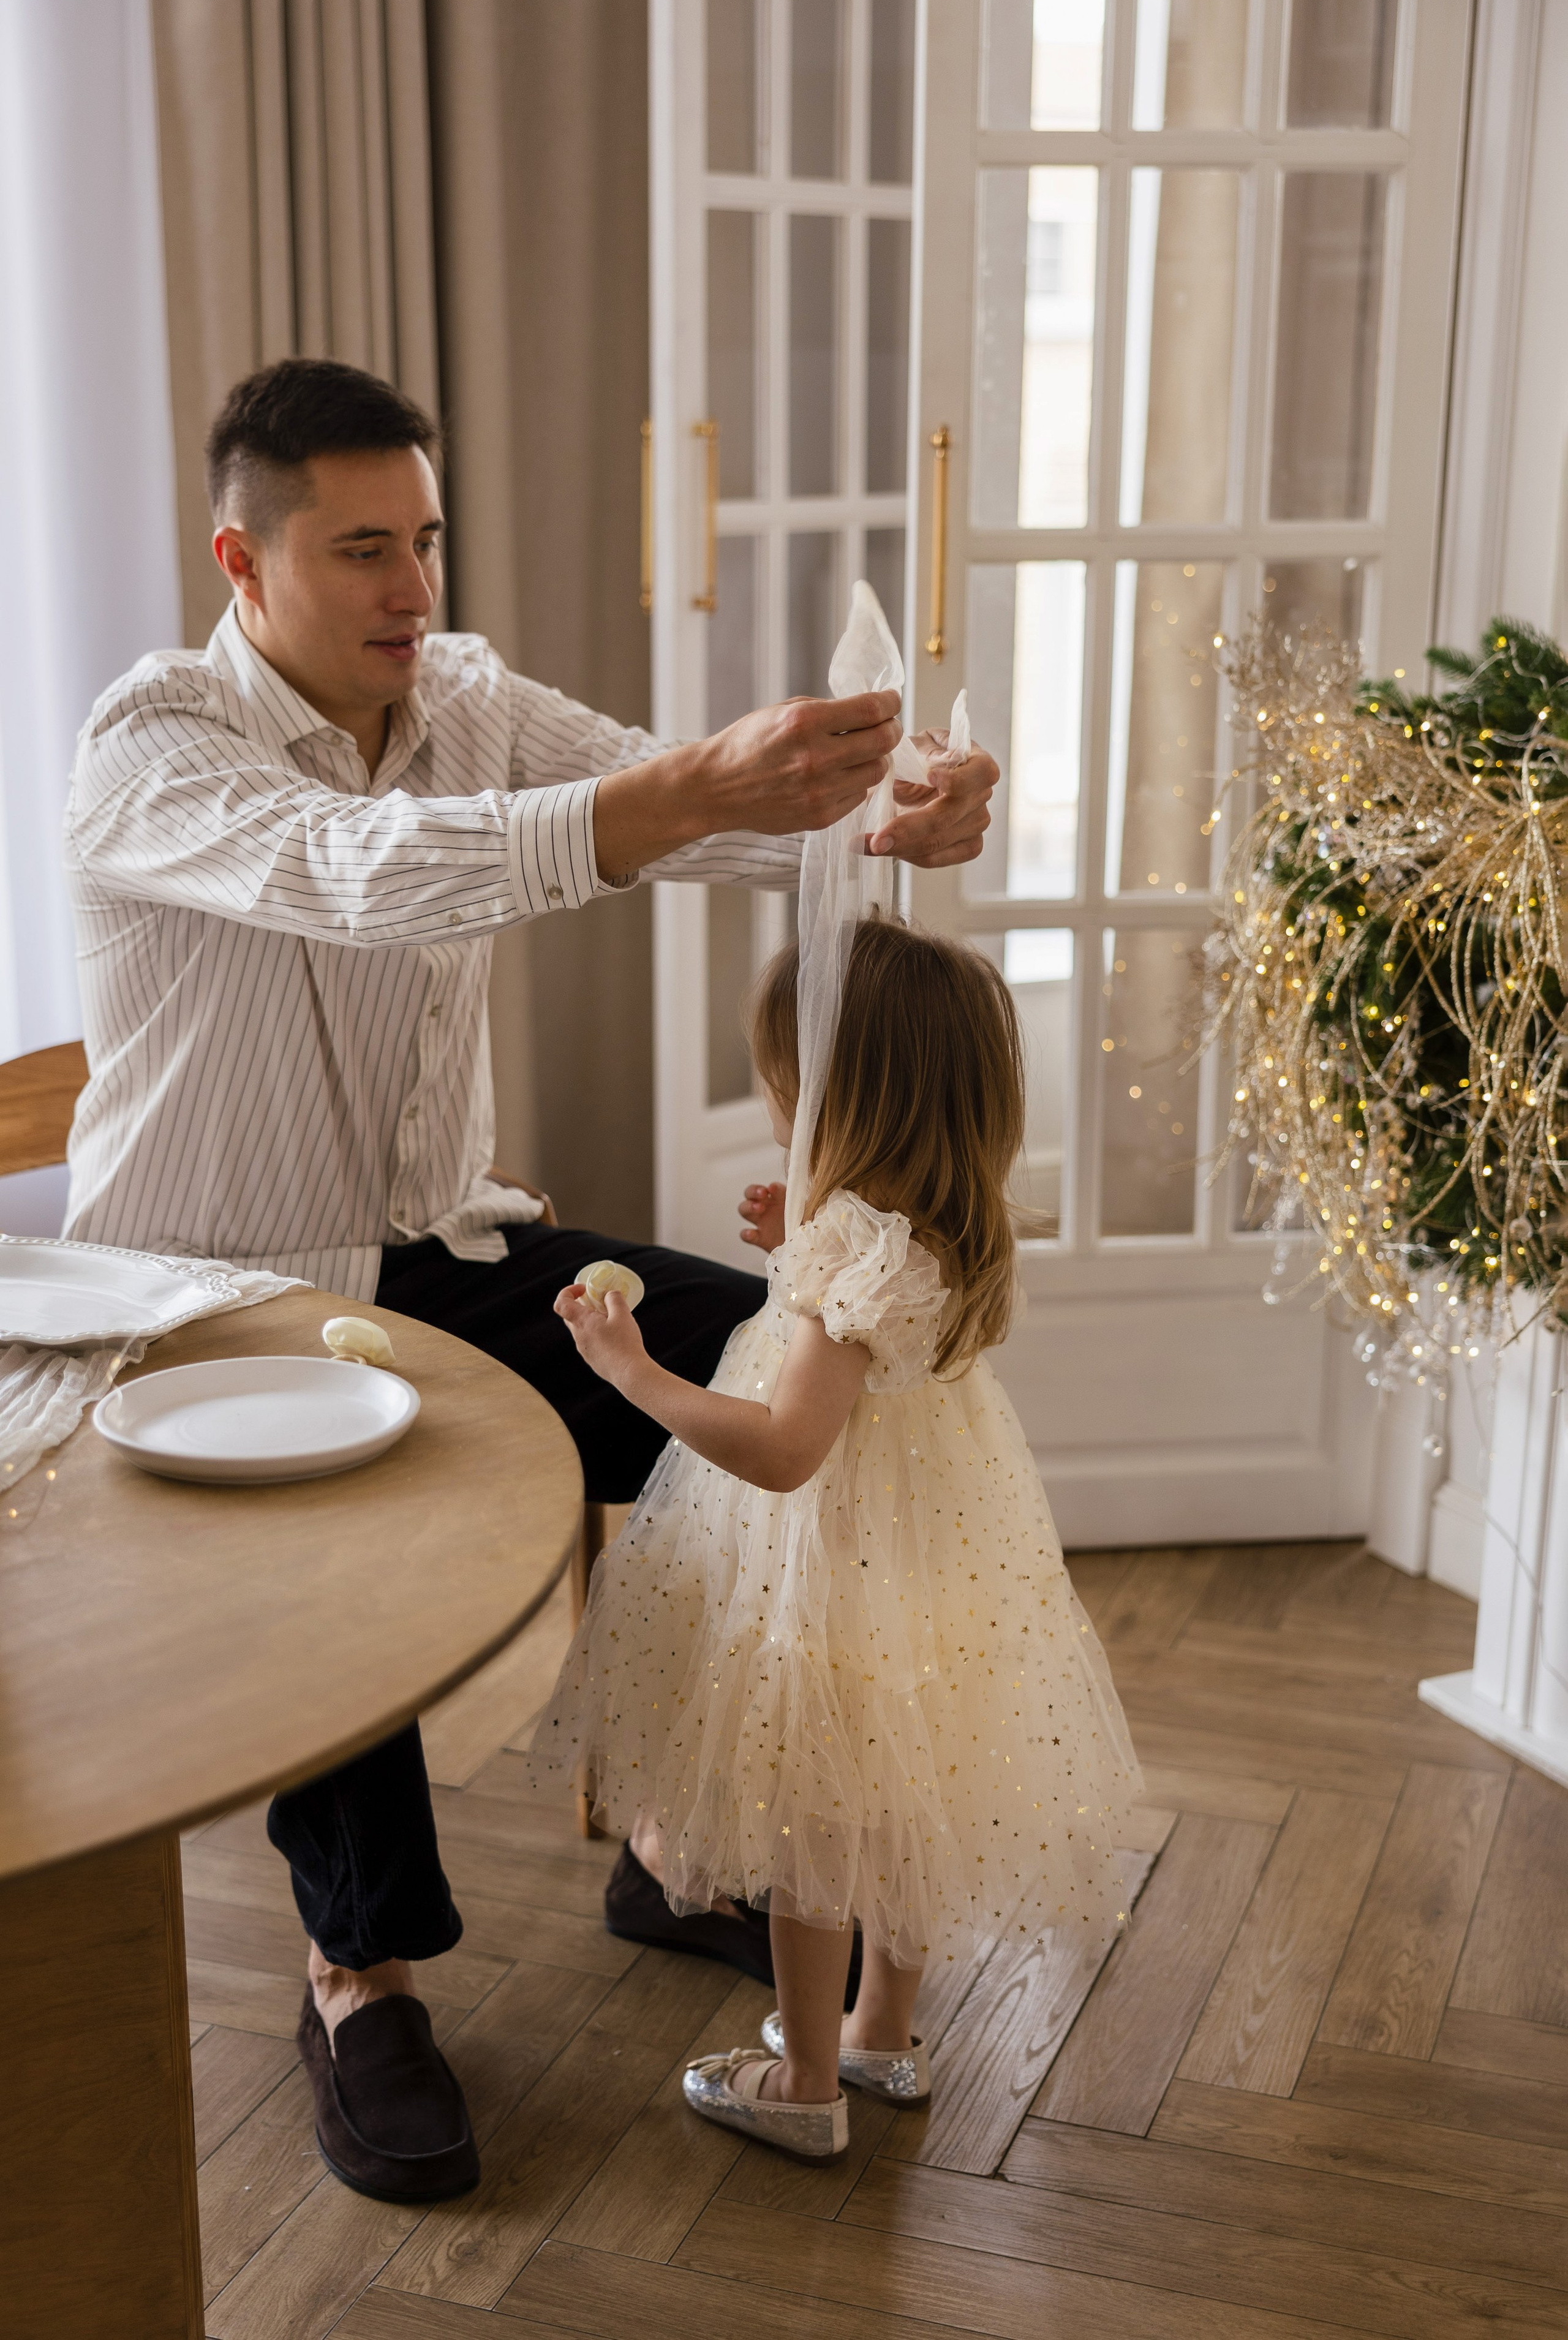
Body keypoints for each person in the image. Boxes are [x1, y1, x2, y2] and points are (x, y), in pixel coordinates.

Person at [62, 356, 997, 2203]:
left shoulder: (467, 695)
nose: (413, 588)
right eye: (360, 552)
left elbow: (705, 815)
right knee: (325, 1557)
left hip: (440, 1241)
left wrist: (889, 808)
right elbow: (361, 873)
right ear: (242, 562)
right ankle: (361, 1974)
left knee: (760, 1357)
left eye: (424, 540)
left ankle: (680, 1834)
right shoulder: (150, 742)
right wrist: (679, 795)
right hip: (212, 1285)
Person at [532, 917, 1142, 2158]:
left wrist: (629, 1369)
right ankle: (877, 2034)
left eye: (781, 1085)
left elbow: (784, 1446)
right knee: (901, 1792)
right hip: (932, 1557)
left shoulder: (853, 1253)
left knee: (812, 1809)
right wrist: (789, 1253)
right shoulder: (947, 1228)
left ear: (840, 1100)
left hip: (829, 1562)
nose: (772, 1106)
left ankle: (804, 2084)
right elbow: (875, 1335)